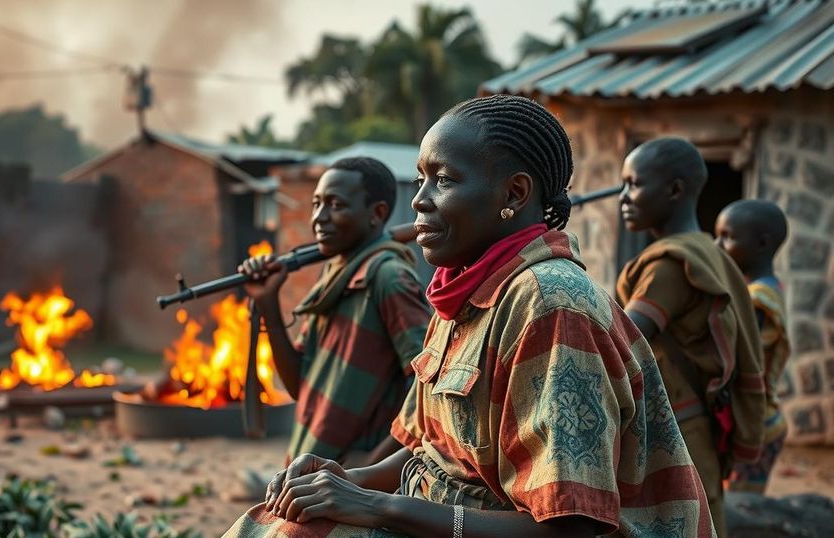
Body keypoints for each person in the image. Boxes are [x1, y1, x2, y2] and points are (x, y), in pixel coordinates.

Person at [224, 95, 714, 537]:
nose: (418, 199)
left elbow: (571, 528)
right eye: (421, 179)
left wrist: (377, 507)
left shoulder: (552, 306)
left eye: (444, 180)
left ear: (514, 195)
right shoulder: (463, 292)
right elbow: (429, 453)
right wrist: (341, 479)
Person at [615, 137, 767, 536]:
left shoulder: (671, 264)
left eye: (635, 184)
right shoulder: (712, 255)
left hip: (675, 426)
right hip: (699, 421)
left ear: (675, 190)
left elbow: (619, 342)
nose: (624, 197)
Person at [239, 156, 431, 468]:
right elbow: (298, 386)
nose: (319, 217)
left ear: (377, 214)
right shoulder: (336, 274)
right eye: (316, 204)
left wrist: (371, 469)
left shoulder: (388, 277)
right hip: (312, 469)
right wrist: (268, 305)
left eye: (335, 205)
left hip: (350, 481)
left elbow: (427, 389)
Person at [714, 200, 790, 493]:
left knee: (740, 507)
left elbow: (737, 357)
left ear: (761, 243)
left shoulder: (758, 299)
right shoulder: (767, 288)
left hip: (756, 425)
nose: (717, 244)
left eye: (728, 237)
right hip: (763, 419)